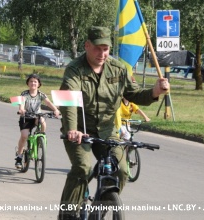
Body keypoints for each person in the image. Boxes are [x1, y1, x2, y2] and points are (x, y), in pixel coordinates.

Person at [58, 26, 170, 220]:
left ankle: (99, 210)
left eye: (106, 49)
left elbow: (134, 94)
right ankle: (68, 214)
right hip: (80, 130)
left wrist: (155, 92)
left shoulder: (118, 69)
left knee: (122, 172)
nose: (102, 53)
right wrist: (73, 130)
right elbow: (68, 100)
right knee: (82, 168)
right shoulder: (75, 69)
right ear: (87, 45)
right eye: (98, 48)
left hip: (107, 131)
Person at [15, 73, 60, 168]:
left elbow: (48, 102)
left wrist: (55, 110)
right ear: (28, 83)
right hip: (26, 117)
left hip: (36, 116)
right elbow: (21, 103)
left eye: (35, 81)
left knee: (42, 121)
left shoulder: (41, 94)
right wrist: (21, 109)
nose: (33, 83)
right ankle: (19, 156)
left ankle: (40, 139)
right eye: (31, 81)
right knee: (24, 136)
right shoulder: (24, 94)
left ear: (39, 84)